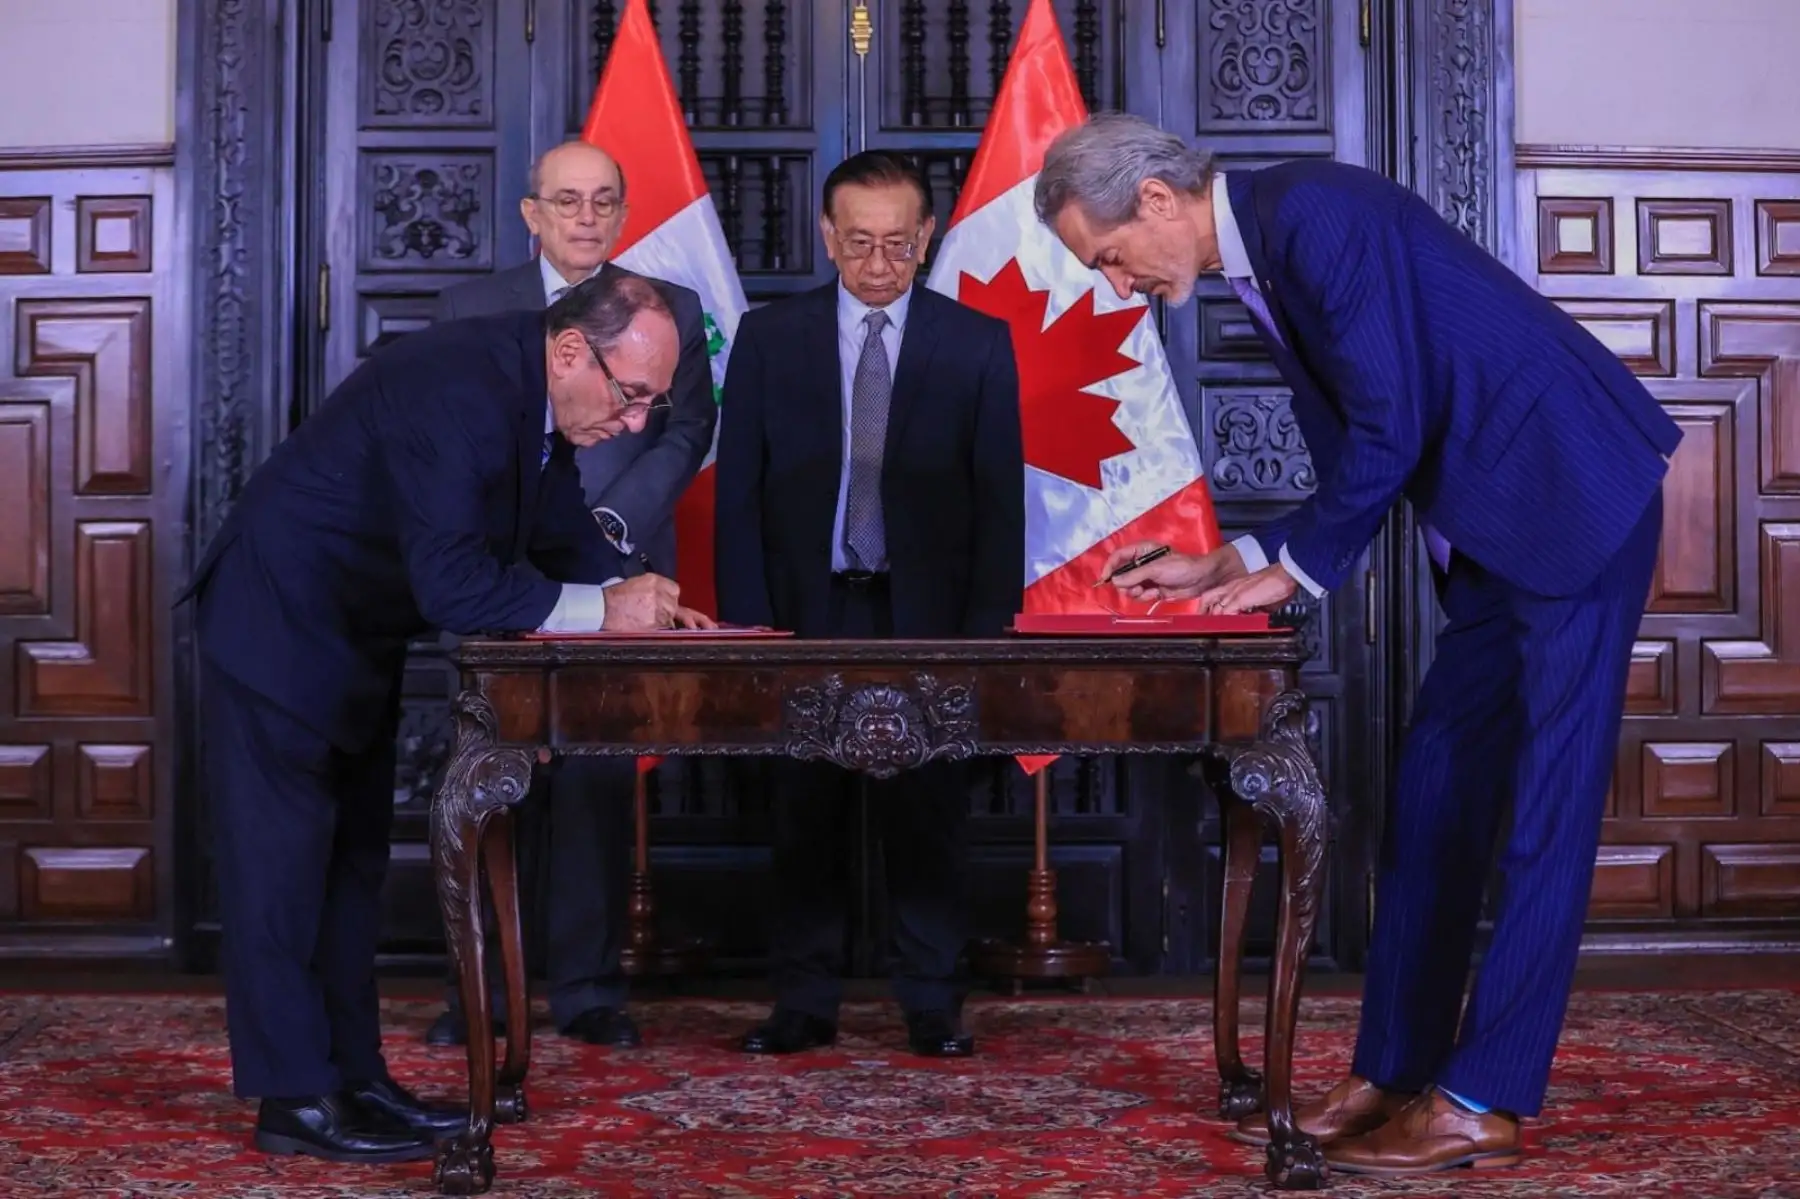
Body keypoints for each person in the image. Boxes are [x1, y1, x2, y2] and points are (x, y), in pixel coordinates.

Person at [1037, 112, 1679, 1175]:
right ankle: (1393, 1070)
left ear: (1154, 201)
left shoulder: (1314, 215)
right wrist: (1236, 552)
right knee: (1433, 791)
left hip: (1572, 500)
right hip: (1492, 526)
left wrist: (1293, 574)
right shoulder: (1265, 253)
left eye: (1108, 258)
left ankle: (1483, 1095)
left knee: (1545, 814)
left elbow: (1396, 416)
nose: (1116, 283)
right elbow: (1358, 444)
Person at [183, 272, 708, 1165]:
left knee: (347, 870)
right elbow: (455, 584)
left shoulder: (533, 390)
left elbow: (555, 530)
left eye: (651, 406)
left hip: (349, 637)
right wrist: (602, 609)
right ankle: (293, 1099)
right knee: (280, 877)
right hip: (277, 627)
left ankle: (353, 1077)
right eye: (632, 398)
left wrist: (637, 596)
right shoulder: (463, 388)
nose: (635, 424)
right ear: (574, 350)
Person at [714, 151, 1024, 1059]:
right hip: (805, 613)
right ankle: (803, 1004)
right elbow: (740, 496)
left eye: (898, 243)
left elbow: (998, 503)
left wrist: (984, 640)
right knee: (802, 811)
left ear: (926, 238)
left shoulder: (976, 343)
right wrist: (750, 629)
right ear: (826, 235)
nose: (880, 263)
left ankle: (933, 1004)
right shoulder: (770, 338)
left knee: (927, 816)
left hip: (927, 616)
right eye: (859, 243)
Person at [422, 140, 716, 1052]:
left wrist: (616, 527)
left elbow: (689, 427)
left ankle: (587, 988)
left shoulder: (672, 310)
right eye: (568, 201)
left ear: (624, 214)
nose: (586, 217)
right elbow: (454, 449)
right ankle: (479, 988)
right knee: (485, 777)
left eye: (603, 201)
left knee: (592, 781)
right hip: (497, 573)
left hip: (614, 576)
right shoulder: (469, 308)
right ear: (531, 213)